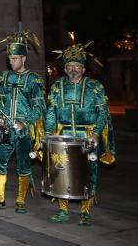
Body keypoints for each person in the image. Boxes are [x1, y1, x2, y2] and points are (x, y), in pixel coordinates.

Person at [45, 41, 115, 226]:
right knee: (61, 171)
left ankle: (85, 210)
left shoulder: (95, 87)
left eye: (76, 66)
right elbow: (51, 111)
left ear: (83, 69)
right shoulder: (57, 86)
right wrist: (47, 133)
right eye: (69, 66)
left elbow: (103, 113)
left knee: (88, 173)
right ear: (65, 68)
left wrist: (97, 134)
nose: (73, 69)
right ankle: (62, 209)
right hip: (64, 134)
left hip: (87, 136)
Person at [0, 31, 45, 213]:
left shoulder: (34, 80)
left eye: (16, 58)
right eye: (10, 58)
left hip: (23, 130)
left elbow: (39, 106)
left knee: (23, 165)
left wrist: (27, 123)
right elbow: (0, 101)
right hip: (5, 128)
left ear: (24, 59)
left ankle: (20, 201)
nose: (12, 62)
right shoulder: (5, 77)